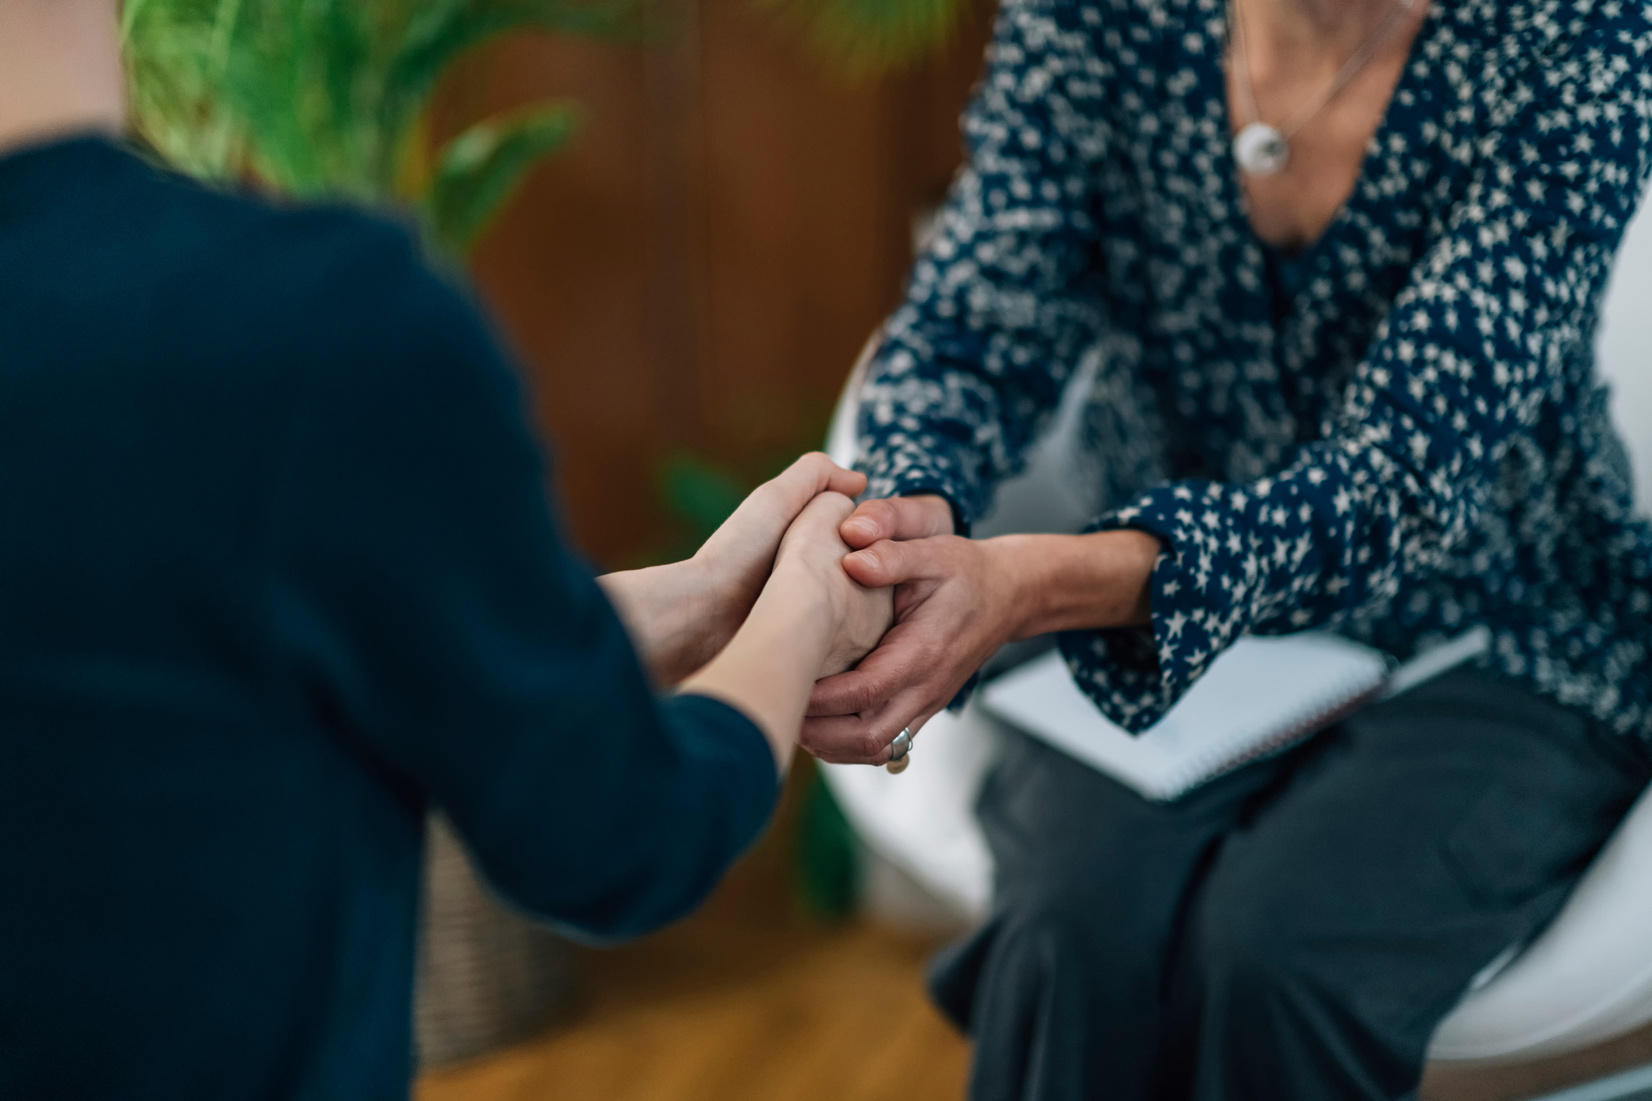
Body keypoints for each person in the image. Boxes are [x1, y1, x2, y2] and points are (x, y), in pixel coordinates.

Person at [0, 1, 891, 1097]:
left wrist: (699, 596)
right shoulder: (306, 326)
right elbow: (618, 836)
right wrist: (802, 608)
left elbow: (141, 674)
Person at [800, 0, 1652, 1097]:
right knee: (1069, 935)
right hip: (1157, 642)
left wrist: (1033, 586)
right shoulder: (1096, 21)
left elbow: (1401, 475)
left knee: (1280, 952)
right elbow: (973, 326)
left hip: (1505, 628)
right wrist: (911, 506)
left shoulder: (1573, 38)